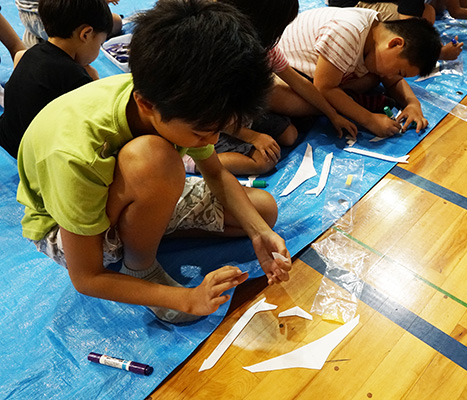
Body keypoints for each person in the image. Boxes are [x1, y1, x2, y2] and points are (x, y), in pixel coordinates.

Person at [16, 0, 291, 324]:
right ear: (146, 105)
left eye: (219, 129)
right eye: (204, 132)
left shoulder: (177, 100)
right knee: (155, 158)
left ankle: (143, 233)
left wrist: (259, 233)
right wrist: (184, 298)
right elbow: (87, 277)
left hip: (133, 188)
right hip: (65, 226)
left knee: (262, 210)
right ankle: (141, 265)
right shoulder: (74, 153)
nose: (213, 141)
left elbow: (215, 174)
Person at [185, 0, 357, 176]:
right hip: (210, 120)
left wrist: (333, 114)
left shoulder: (264, 49)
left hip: (235, 113)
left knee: (289, 136)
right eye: (280, 27)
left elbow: (298, 82)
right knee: (263, 160)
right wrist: (252, 136)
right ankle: (192, 161)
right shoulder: (223, 58)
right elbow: (209, 115)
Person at [278, 7, 441, 138]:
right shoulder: (348, 32)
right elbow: (324, 88)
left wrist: (412, 103)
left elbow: (394, 81)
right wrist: (369, 120)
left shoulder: (377, 34)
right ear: (395, 43)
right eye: (399, 71)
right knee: (288, 99)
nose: (392, 76)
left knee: (373, 78)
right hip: (290, 72)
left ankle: (346, 101)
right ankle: (346, 102)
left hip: (324, 74)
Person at [0, 0, 112, 159]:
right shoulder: (74, 76)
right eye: (100, 43)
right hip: (33, 154)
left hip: (7, 138)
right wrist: (94, 83)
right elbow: (95, 123)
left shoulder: (31, 52)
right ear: (86, 34)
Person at [326, 1, 462, 60]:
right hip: (345, 8)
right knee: (427, 13)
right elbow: (408, 29)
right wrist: (437, 54)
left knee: (430, 10)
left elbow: (456, 9)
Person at [15, 0, 122, 48]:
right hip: (40, 15)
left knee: (116, 22)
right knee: (115, 22)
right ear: (85, 34)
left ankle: (39, 35)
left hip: (33, 13)